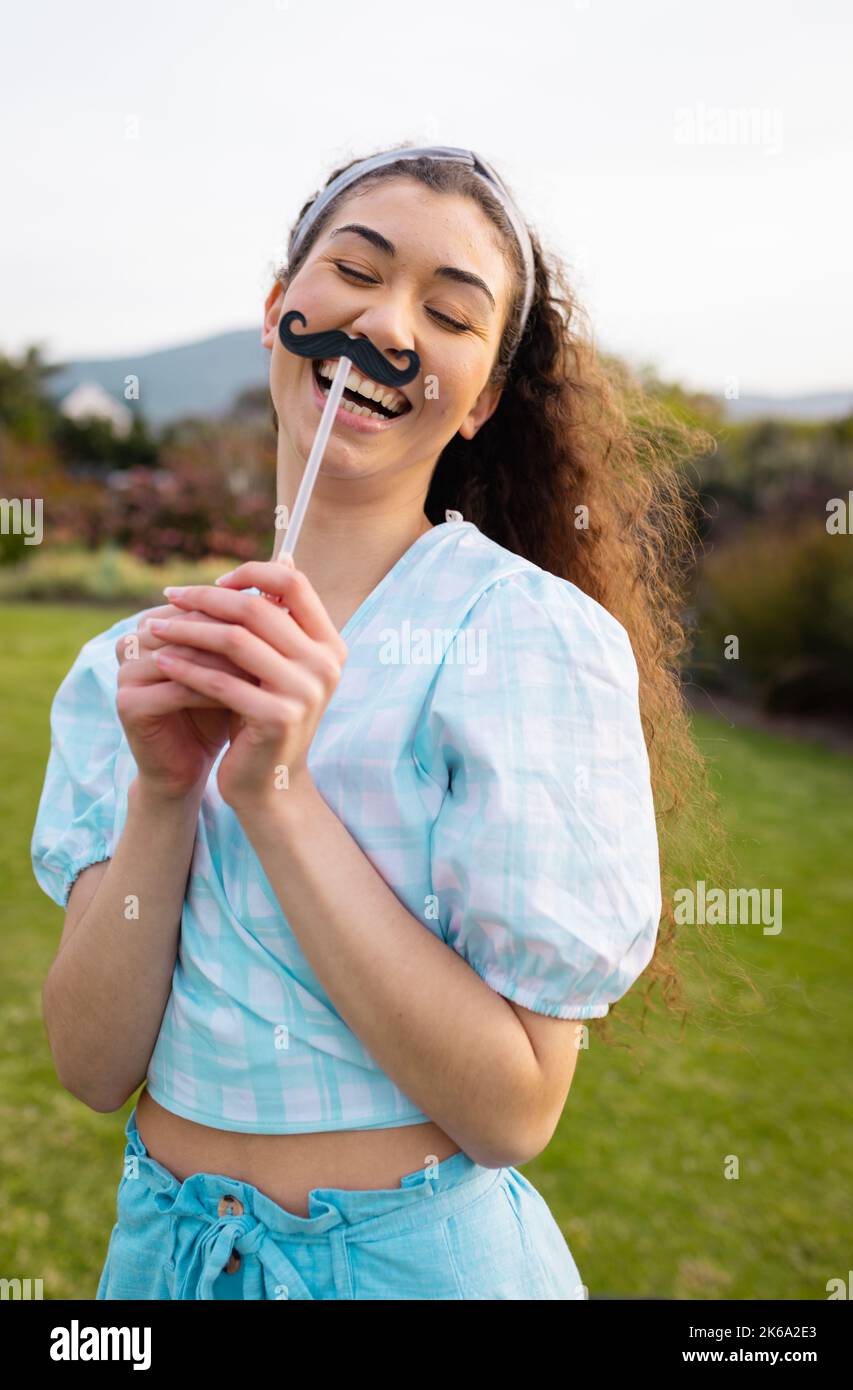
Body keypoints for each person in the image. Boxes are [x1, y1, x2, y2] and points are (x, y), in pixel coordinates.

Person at [32, 142, 706, 1300]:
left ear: (483, 396)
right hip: (161, 1264)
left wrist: (276, 794)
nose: (385, 327)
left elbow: (514, 1108)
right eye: (354, 269)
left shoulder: (524, 641)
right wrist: (161, 791)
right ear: (277, 312)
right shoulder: (132, 668)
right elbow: (94, 1067)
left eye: (449, 312)